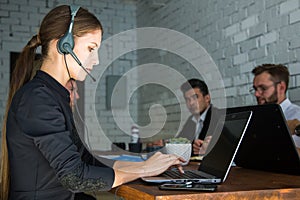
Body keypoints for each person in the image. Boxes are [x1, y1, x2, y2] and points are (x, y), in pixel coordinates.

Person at [0, 5, 184, 200]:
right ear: (62, 44)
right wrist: (144, 169)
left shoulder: (54, 96)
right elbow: (75, 178)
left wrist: (146, 164)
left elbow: (86, 162)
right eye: (90, 48)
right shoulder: (37, 100)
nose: (95, 60)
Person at [251, 64, 300, 147]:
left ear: (281, 87)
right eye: (255, 89)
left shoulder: (298, 116)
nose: (256, 94)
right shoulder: (254, 119)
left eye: (263, 88)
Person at [177, 78, 219, 156]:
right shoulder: (191, 120)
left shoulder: (218, 117)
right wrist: (164, 143)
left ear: (207, 98)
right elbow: (180, 142)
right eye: (187, 99)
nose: (191, 103)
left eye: (195, 97)